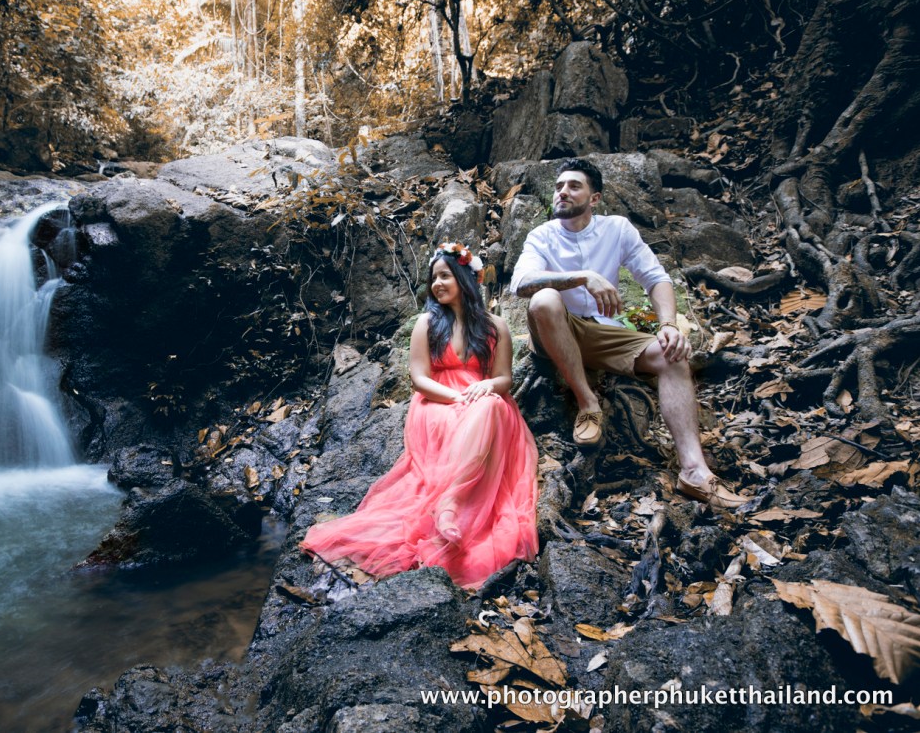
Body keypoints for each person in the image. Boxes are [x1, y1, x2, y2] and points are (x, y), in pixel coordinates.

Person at [510, 157, 748, 508]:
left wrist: (667, 324)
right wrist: (580, 277)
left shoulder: (617, 229)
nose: (563, 191)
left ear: (595, 198)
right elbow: (521, 284)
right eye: (559, 186)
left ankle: (694, 473)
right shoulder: (541, 236)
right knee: (544, 299)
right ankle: (588, 404)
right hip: (556, 331)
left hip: (605, 333)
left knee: (673, 357)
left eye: (574, 186)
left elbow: (656, 278)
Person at [301, 243, 539, 589]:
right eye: (434, 278)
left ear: (466, 278)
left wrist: (485, 388)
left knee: (489, 407)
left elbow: (504, 378)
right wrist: (457, 397)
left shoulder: (495, 325)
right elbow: (419, 379)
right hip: (438, 403)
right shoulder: (427, 323)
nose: (437, 284)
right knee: (476, 411)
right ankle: (446, 508)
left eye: (445, 276)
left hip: (483, 401)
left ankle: (452, 502)